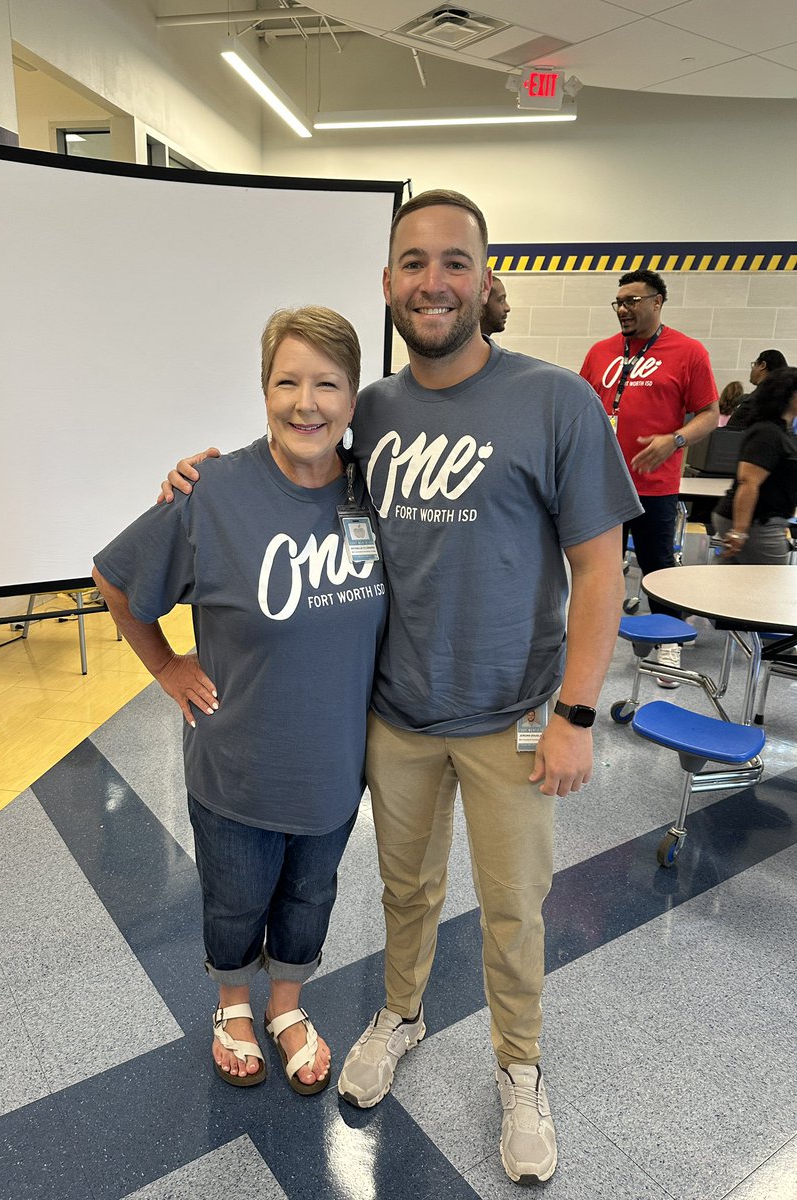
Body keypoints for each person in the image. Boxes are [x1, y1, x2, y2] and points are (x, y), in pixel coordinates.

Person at [160, 190, 642, 1185]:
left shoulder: (557, 402)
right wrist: (193, 479)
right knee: (404, 889)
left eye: (454, 262)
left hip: (515, 716)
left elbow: (600, 568)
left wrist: (577, 714)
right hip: (397, 714)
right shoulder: (368, 407)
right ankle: (401, 1013)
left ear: (485, 279)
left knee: (514, 906)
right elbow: (290, 467)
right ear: (387, 284)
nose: (433, 282)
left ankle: (519, 1071)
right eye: (413, 263)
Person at [93, 307, 387, 1097]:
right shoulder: (214, 491)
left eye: (327, 384)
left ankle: (286, 1008)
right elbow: (116, 580)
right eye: (287, 381)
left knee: (309, 899)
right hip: (237, 769)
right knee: (235, 903)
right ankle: (232, 1008)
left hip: (331, 772)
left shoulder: (374, 493)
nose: (306, 403)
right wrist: (164, 666)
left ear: (353, 399)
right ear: (263, 391)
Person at [580, 269, 719, 687]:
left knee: (657, 566)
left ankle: (668, 643)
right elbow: (582, 409)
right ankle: (594, 644)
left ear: (657, 302)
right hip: (602, 484)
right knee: (599, 569)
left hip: (654, 486)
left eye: (632, 301)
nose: (623, 309)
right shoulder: (601, 352)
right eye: (618, 302)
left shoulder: (688, 351)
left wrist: (674, 440)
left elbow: (709, 416)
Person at [712, 367, 797, 564]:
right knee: (769, 585)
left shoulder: (782, 431)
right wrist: (740, 532)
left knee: (737, 583)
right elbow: (748, 482)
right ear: (790, 395)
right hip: (757, 524)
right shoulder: (767, 433)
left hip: (764, 522)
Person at [727, 349, 789, 431]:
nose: (752, 369)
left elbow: (731, 432)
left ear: (762, 365)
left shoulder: (756, 400)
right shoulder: (783, 401)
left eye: (754, 364)